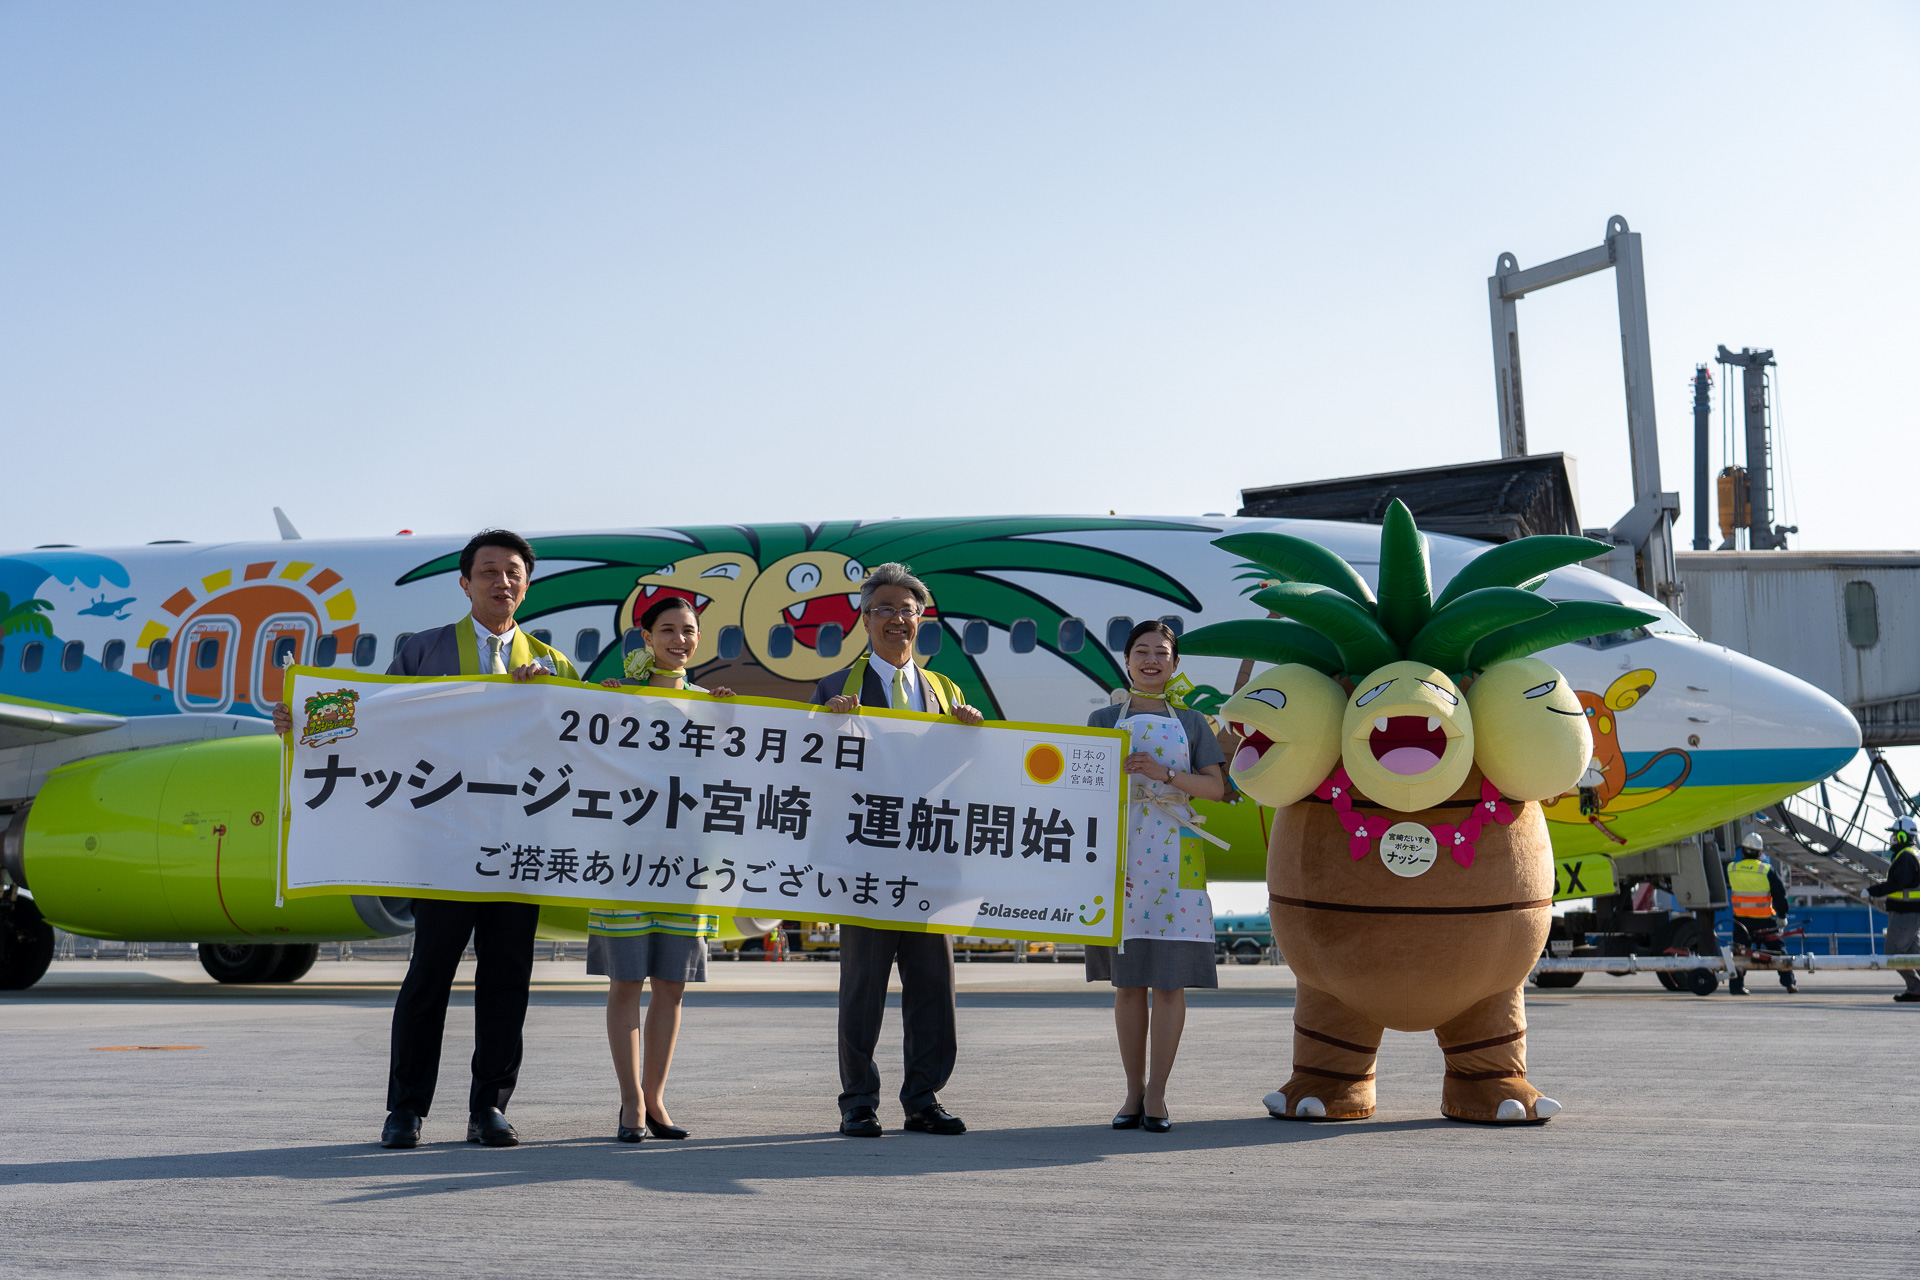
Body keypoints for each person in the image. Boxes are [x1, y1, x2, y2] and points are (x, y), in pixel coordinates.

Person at [274, 528, 577, 1149]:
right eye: (488, 571)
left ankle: (488, 1107)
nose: (502, 581)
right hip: (442, 849)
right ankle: (406, 1109)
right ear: (464, 584)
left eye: (513, 571)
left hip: (517, 850)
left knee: (506, 983)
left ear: (527, 583)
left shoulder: (552, 664)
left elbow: (586, 743)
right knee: (427, 978)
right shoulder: (424, 651)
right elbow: (376, 719)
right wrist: (305, 720)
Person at [812, 562, 986, 1139]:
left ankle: (924, 1097)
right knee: (863, 985)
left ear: (921, 620)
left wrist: (974, 733)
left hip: (930, 861)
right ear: (864, 620)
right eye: (883, 609)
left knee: (933, 986)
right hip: (865, 859)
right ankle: (857, 1100)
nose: (896, 620)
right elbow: (808, 768)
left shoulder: (945, 690)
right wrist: (828, 729)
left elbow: (970, 773)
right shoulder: (836, 688)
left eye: (907, 611)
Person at [590, 596, 735, 1141]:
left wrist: (727, 720)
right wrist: (596, 708)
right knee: (626, 981)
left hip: (689, 861)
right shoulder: (615, 697)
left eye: (689, 631)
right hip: (623, 860)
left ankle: (655, 1100)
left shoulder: (712, 705)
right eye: (667, 630)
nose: (679, 640)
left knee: (672, 985)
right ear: (645, 638)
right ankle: (629, 1102)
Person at [1082, 620, 1229, 1133]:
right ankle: (1132, 1092)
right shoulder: (1102, 719)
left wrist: (1163, 774)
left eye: (1161, 652)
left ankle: (1159, 1096)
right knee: (1127, 986)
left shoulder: (1192, 723)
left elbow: (1215, 789)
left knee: (1169, 985)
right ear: (1126, 661)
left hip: (1177, 857)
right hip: (1120, 860)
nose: (1151, 659)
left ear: (1175, 664)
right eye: (1140, 651)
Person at [1726, 832, 1795, 995]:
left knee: (1739, 954)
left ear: (1742, 851)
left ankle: (1736, 987)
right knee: (1779, 952)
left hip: (1741, 922)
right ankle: (1789, 983)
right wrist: (1782, 916)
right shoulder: (1766, 870)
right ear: (1760, 852)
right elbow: (1780, 895)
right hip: (1765, 921)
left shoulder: (1732, 868)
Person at [1866, 815, 1920, 1003]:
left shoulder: (1906, 856)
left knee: (1892, 952)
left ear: (1904, 837)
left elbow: (1897, 883)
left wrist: (1872, 891)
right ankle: (1916, 989)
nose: (1893, 839)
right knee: (1914, 953)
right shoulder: (1911, 854)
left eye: (1896, 835)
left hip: (1906, 913)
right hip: (1909, 913)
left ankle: (1916, 987)